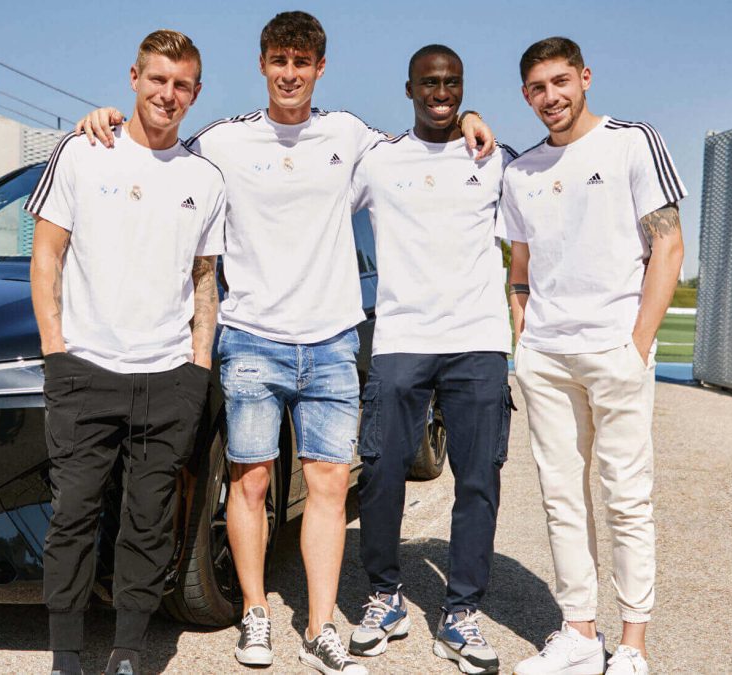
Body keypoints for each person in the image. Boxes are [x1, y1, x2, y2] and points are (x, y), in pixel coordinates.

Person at [77, 12, 495, 674]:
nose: (290, 74)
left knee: (328, 484)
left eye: (302, 63)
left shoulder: (350, 134)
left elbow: (423, 138)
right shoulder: (224, 140)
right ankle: (255, 612)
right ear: (263, 65)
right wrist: (106, 118)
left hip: (331, 339)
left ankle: (322, 626)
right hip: (252, 340)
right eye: (279, 61)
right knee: (250, 481)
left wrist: (466, 116)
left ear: (320, 68)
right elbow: (157, 144)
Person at [27, 29, 225, 675]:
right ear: (134, 78)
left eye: (181, 85)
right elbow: (47, 256)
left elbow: (204, 279)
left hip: (169, 378)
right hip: (85, 370)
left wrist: (198, 367)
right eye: (158, 79)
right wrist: (56, 352)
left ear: (195, 93)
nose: (168, 94)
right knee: (73, 517)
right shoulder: (84, 152)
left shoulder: (204, 178)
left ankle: (129, 652)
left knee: (148, 521)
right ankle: (65, 656)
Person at [500, 37, 685, 675]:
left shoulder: (632, 142)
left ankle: (632, 645)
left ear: (584, 77)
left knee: (626, 498)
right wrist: (524, 335)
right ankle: (579, 632)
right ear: (526, 95)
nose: (550, 97)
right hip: (547, 357)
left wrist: (637, 345)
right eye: (537, 88)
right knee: (561, 498)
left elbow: (668, 246)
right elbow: (520, 262)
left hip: (614, 350)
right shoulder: (521, 171)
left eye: (560, 81)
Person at [348, 44, 515, 674]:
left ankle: (461, 612)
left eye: (452, 83)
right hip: (401, 338)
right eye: (429, 83)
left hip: (478, 340)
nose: (441, 93)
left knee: (478, 478)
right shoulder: (379, 161)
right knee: (381, 470)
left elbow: (534, 234)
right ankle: (385, 596)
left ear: (463, 87)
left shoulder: (493, 158)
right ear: (409, 88)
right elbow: (311, 203)